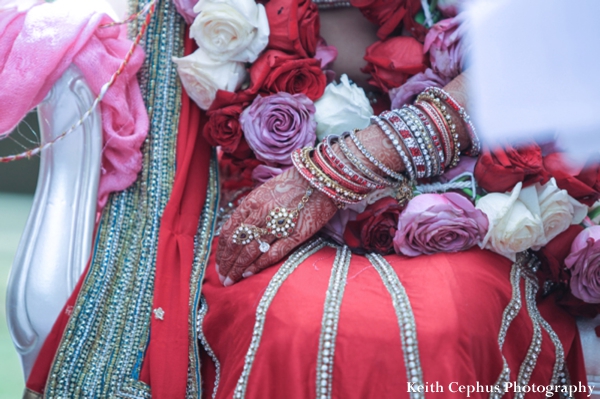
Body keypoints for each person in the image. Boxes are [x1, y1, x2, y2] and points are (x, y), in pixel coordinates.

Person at [22, 0, 590, 398]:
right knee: (295, 323)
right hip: (257, 196)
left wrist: (349, 166)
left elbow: (560, 39)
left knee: (433, 324)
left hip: (466, 201)